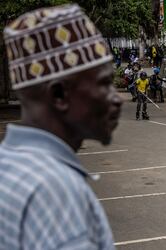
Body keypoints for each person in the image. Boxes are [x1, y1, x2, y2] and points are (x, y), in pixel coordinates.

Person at [0, 4, 122, 249]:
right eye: (105, 83)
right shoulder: (55, 190)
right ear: (59, 95)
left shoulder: (9, 166)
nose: (116, 98)